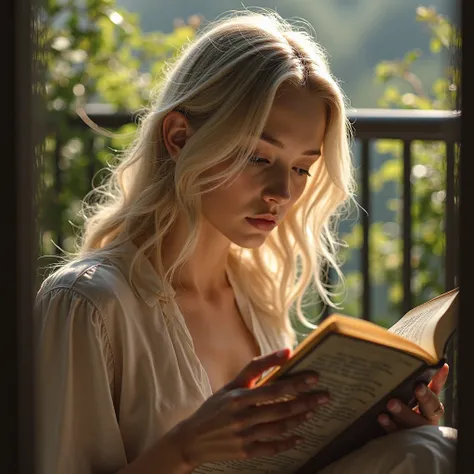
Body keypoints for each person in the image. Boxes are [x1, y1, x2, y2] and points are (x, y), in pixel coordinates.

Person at [34, 9, 457, 474]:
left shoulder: (257, 299)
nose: (282, 193)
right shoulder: (89, 304)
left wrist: (377, 434)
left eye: (301, 168)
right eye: (258, 156)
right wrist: (184, 449)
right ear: (178, 137)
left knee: (430, 446)